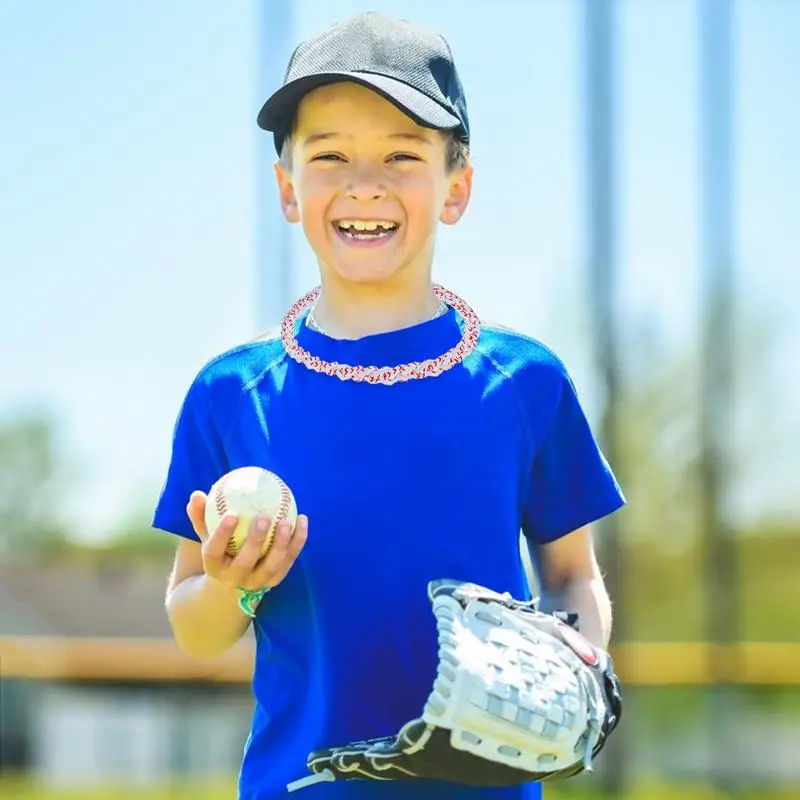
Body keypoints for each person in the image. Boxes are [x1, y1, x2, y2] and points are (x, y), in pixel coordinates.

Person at [153, 11, 625, 800]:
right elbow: (195, 627)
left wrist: (576, 662)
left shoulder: (523, 382)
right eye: (329, 155)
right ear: (288, 188)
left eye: (401, 156)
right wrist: (234, 583)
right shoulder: (230, 394)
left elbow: (573, 576)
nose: (363, 184)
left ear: (457, 186)